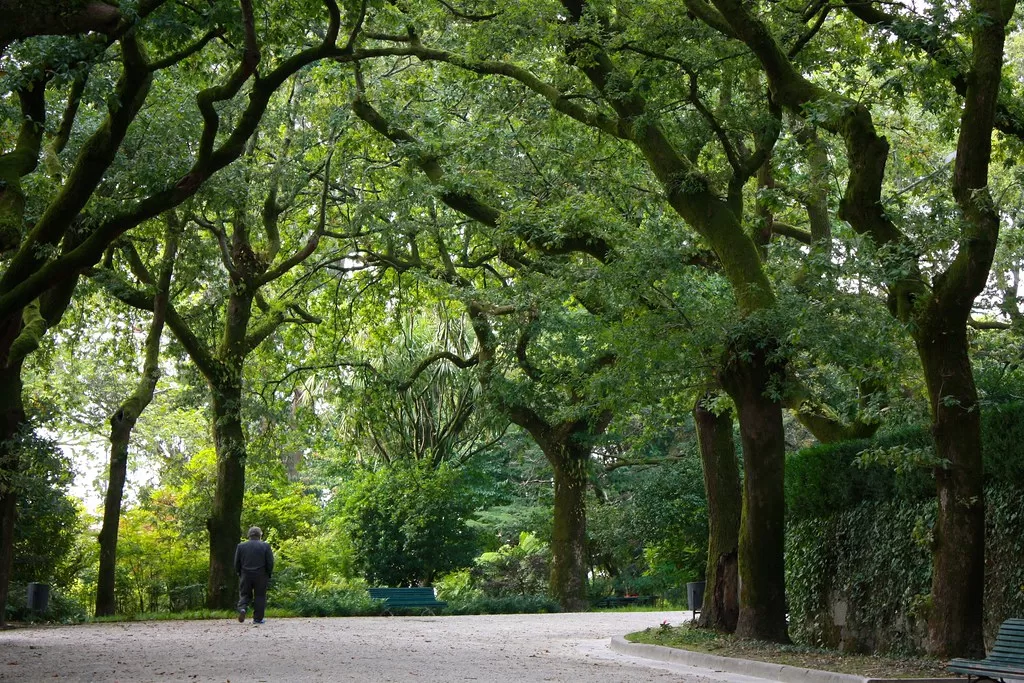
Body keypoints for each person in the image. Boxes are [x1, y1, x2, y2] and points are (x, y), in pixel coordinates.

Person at [234, 526, 274, 624]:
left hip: (245, 574)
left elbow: (236, 562)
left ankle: (242, 609)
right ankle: (258, 619)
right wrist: (268, 573)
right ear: (260, 535)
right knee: (260, 596)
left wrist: (239, 572)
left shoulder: (241, 546)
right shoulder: (265, 546)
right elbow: (270, 562)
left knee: (244, 594)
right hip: (261, 575)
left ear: (249, 535)